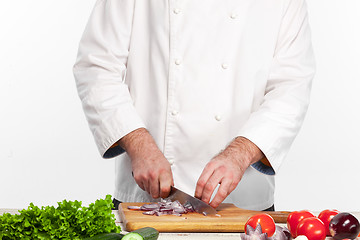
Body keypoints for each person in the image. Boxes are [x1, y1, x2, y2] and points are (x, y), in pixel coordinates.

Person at [73, 0, 315, 211]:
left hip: (243, 200)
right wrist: (139, 144)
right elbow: (96, 67)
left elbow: (291, 87)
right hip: (148, 197)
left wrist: (240, 153)